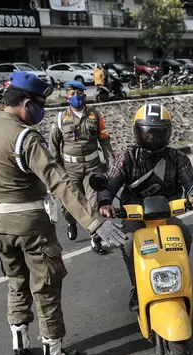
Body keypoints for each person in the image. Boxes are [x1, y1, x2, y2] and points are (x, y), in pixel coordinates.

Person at [0, 71, 128, 355]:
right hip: (30, 225)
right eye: (40, 105)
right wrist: (94, 223)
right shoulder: (25, 137)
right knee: (46, 286)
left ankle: (20, 344)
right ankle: (54, 351)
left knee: (16, 282)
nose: (42, 113)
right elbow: (58, 182)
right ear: (26, 104)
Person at [98, 103, 193, 312]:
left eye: (158, 133)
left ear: (168, 132)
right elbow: (110, 184)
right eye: (148, 132)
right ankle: (137, 287)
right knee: (128, 243)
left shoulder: (177, 158)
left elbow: (191, 181)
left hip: (167, 214)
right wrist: (105, 201)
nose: (153, 138)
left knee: (184, 234)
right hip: (135, 213)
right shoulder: (127, 157)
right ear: (138, 131)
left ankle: (177, 277)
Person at [49, 80, 113, 255]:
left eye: (78, 93)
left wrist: (110, 160)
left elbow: (104, 139)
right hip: (70, 167)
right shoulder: (61, 117)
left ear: (84, 95)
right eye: (71, 94)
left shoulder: (95, 115)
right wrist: (55, 170)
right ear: (67, 96)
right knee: (69, 205)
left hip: (92, 166)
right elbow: (53, 145)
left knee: (93, 203)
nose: (75, 97)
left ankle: (95, 238)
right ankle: (71, 222)